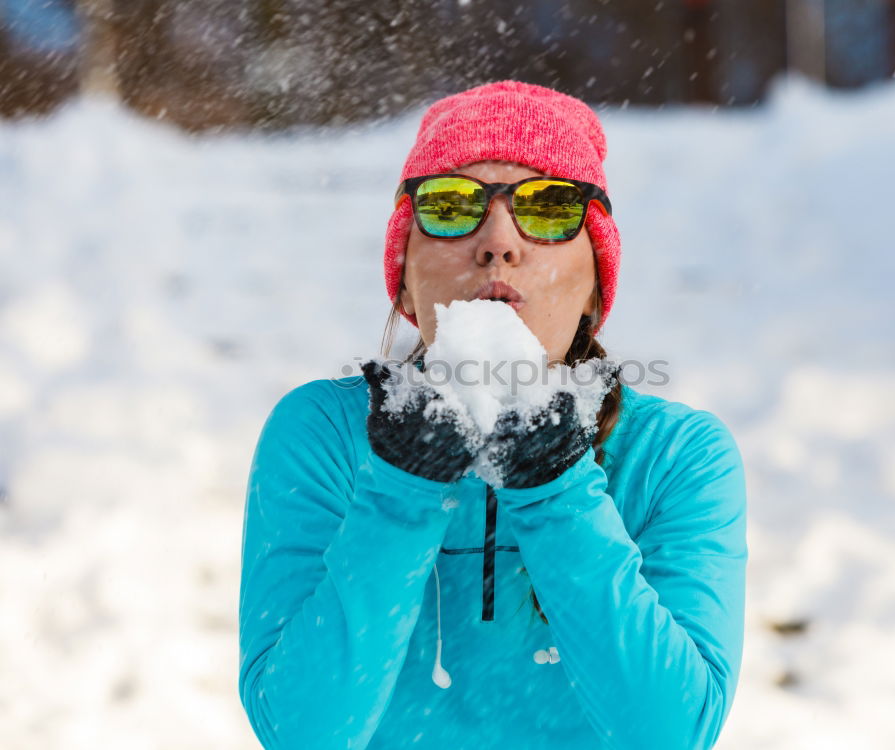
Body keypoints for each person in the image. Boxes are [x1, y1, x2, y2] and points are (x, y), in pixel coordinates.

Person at [238, 80, 748, 750]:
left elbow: (669, 734)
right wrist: (402, 492)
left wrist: (557, 490)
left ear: (596, 280)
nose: (499, 241)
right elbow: (303, 733)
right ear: (406, 278)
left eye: (549, 207)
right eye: (451, 206)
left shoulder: (676, 455)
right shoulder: (324, 436)